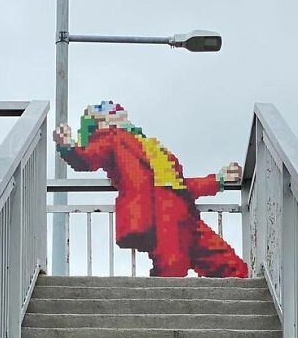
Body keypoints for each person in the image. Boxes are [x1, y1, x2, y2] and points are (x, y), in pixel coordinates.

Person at [53, 101, 248, 278]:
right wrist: (68, 146)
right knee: (172, 267)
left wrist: (218, 180)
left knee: (232, 267)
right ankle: (156, 313)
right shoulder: (111, 138)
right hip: (160, 213)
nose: (114, 107)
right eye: (103, 108)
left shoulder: (150, 146)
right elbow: (87, 158)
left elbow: (181, 185)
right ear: (100, 122)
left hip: (185, 214)